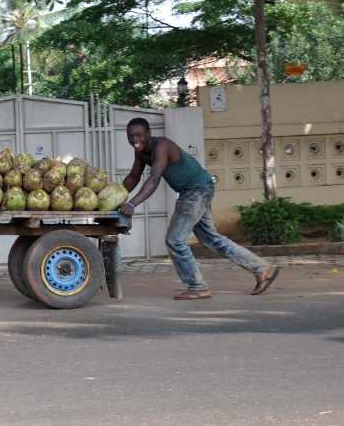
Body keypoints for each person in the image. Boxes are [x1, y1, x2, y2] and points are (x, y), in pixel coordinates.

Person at [119, 117, 279, 300]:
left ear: (148, 133)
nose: (134, 140)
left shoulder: (161, 146)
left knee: (175, 240)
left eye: (139, 135)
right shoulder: (141, 153)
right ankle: (261, 268)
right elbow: (133, 177)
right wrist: (115, 197)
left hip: (195, 191)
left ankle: (197, 286)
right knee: (212, 239)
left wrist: (132, 203)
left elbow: (154, 180)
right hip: (196, 190)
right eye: (130, 136)